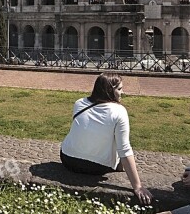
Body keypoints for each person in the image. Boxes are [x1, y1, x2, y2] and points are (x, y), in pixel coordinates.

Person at [60, 72, 153, 205]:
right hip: (97, 167)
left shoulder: (79, 103)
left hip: (68, 159)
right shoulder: (119, 112)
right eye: (119, 89)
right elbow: (124, 150)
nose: (123, 92)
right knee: (118, 141)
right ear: (110, 90)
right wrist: (137, 186)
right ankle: (119, 167)